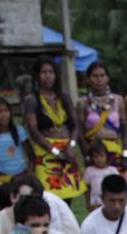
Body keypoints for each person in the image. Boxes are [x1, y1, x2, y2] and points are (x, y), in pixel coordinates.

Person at [24, 57, 84, 201]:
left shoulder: (64, 97)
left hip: (67, 149)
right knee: (49, 196)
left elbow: (75, 125)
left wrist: (71, 146)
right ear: (37, 75)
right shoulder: (32, 99)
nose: (48, 76)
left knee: (68, 196)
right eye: (44, 72)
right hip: (46, 151)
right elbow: (33, 131)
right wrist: (54, 151)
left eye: (51, 72)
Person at [77, 63, 125, 172]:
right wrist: (86, 155)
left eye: (102, 76)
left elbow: (125, 129)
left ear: (108, 78)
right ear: (88, 79)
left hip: (115, 149)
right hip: (93, 151)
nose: (99, 79)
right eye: (95, 76)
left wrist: (125, 153)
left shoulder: (118, 100)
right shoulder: (82, 103)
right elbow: (80, 132)